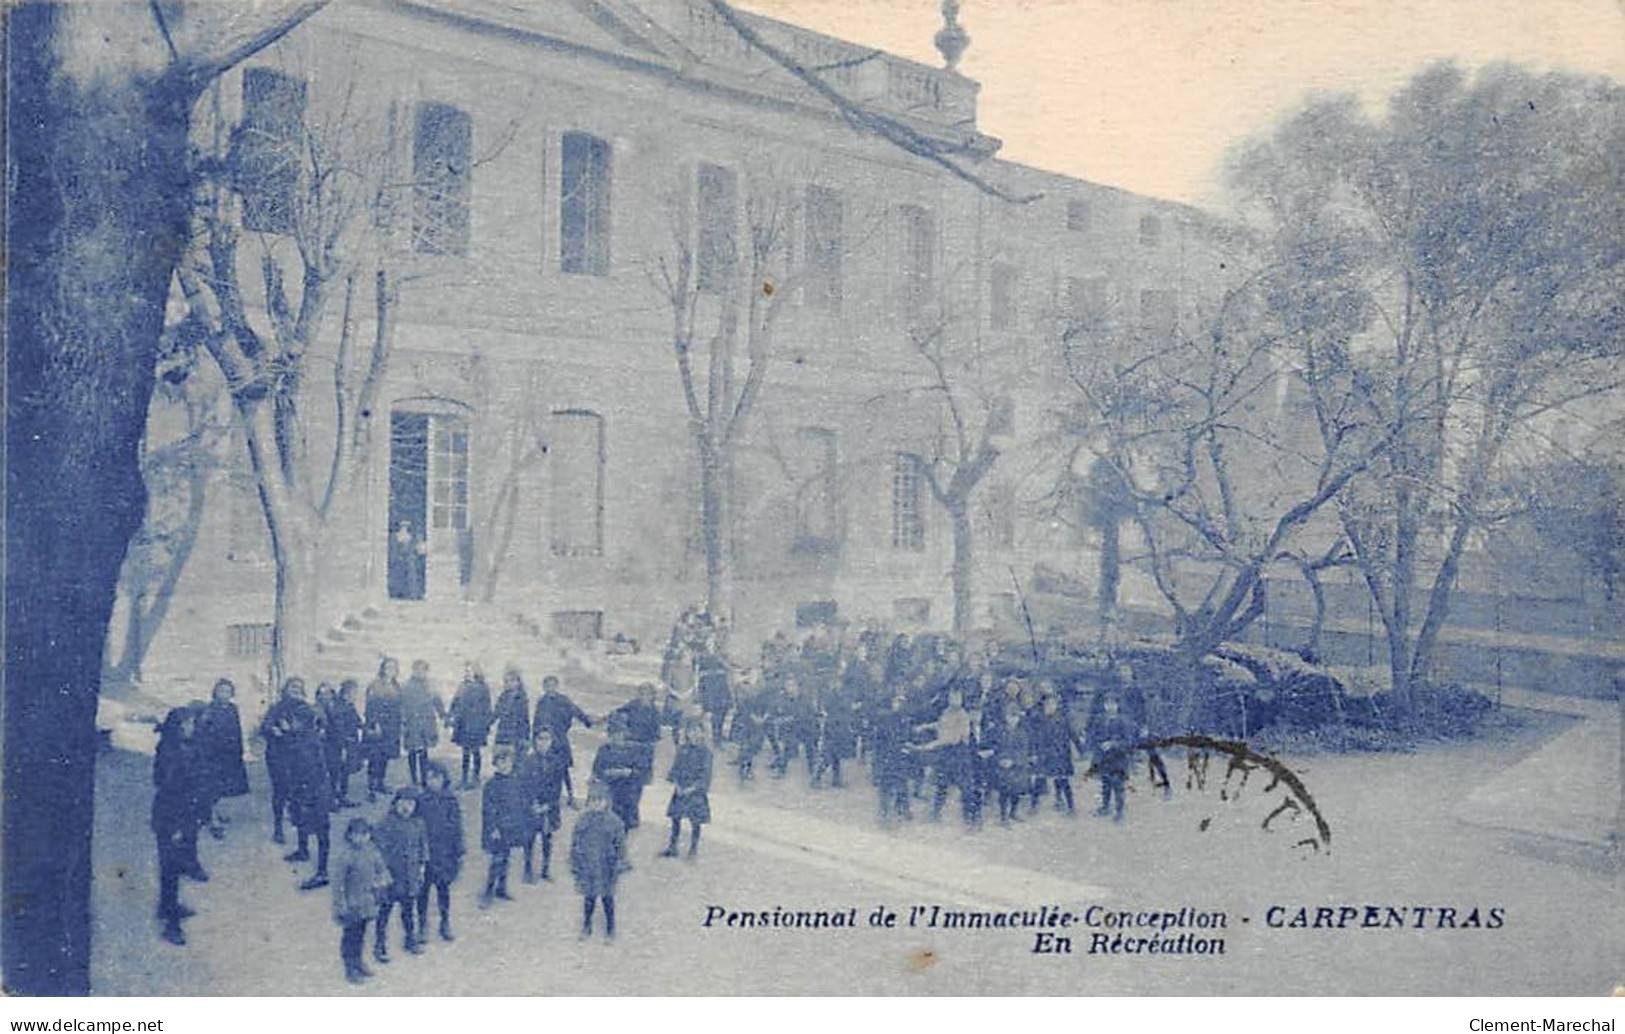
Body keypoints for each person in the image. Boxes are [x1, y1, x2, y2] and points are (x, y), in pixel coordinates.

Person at [152, 704, 207, 945]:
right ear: (176, 727)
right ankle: (172, 926)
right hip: (170, 815)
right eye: (187, 724)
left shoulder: (187, 748)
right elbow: (168, 786)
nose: (191, 727)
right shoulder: (170, 752)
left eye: (192, 723)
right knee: (171, 866)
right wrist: (177, 825)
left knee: (172, 865)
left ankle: (167, 906)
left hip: (182, 812)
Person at [332, 817, 390, 985]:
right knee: (350, 936)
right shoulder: (345, 856)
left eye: (364, 834)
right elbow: (338, 884)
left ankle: (359, 962)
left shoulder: (372, 851)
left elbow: (382, 869)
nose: (361, 838)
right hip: (351, 904)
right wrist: (340, 904)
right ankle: (350, 967)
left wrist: (381, 882)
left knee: (361, 934)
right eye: (356, 834)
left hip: (367, 902)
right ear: (349, 836)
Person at [372, 787, 428, 961]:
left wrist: (422, 865)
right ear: (395, 803)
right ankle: (379, 945)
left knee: (408, 910)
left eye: (411, 804)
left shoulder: (419, 824)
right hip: (391, 876)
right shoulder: (385, 824)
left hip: (409, 876)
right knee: (384, 912)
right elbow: (376, 850)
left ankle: (410, 939)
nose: (406, 807)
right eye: (402, 802)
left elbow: (423, 846)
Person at [261, 677, 317, 844]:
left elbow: (310, 731)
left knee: (299, 791)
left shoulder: (306, 709)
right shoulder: (277, 707)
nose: (295, 690)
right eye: (292, 687)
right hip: (278, 755)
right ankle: (278, 827)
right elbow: (265, 726)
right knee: (280, 791)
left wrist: (290, 729)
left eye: (299, 687)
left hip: (299, 756)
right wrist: (273, 729)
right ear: (285, 689)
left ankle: (299, 822)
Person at [569, 781, 627, 941]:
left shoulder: (614, 822)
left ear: (606, 801)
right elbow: (575, 842)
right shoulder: (583, 819)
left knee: (607, 898)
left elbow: (621, 844)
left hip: (606, 865)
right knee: (589, 897)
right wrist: (574, 862)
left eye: (599, 800)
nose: (596, 804)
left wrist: (621, 861)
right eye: (592, 800)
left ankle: (610, 928)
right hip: (587, 864)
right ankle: (586, 925)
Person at [285, 711, 336, 891]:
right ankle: (303, 850)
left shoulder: (306, 743)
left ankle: (322, 872)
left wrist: (303, 795)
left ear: (300, 722)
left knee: (320, 829)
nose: (290, 724)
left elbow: (310, 772)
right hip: (309, 790)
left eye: (293, 720)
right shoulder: (303, 738)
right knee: (302, 821)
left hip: (313, 791)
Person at [415, 762, 463, 943]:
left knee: (443, 889)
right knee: (423, 891)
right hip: (426, 854)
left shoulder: (451, 801)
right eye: (429, 777)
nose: (433, 781)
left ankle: (445, 922)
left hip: (444, 854)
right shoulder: (420, 801)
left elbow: (457, 827)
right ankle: (422, 924)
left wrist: (458, 851)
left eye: (437, 777)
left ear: (444, 779)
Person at [196, 678, 249, 839]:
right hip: (213, 755)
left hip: (230, 754)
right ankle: (212, 820)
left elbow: (237, 730)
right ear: (215, 693)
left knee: (224, 787)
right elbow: (202, 731)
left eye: (227, 691)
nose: (224, 694)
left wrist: (240, 751)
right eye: (221, 691)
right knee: (212, 787)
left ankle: (213, 812)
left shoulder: (233, 709)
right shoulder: (209, 709)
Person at [479, 746, 529, 907]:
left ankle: (501, 888)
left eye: (508, 761)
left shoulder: (516, 782)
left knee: (506, 858)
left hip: (511, 827)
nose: (505, 764)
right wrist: (493, 828)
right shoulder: (491, 785)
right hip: (497, 829)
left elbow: (520, 804)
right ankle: (488, 890)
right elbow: (488, 810)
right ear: (495, 763)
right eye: (501, 761)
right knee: (497, 859)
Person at [533, 674, 593, 808]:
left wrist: (587, 722)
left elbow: (576, 711)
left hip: (560, 740)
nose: (549, 688)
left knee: (563, 770)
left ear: (556, 686)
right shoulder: (541, 702)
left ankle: (571, 797)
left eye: (552, 685)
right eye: (547, 686)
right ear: (543, 687)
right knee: (544, 769)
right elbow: (536, 723)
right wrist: (534, 740)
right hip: (545, 741)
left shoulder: (563, 700)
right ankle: (547, 797)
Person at [922, 685, 977, 825]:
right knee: (941, 784)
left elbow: (955, 738)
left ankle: (970, 818)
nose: (954, 700)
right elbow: (941, 724)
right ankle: (935, 813)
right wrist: (926, 726)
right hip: (946, 754)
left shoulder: (963, 716)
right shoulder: (946, 711)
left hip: (959, 754)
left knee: (966, 788)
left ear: (962, 699)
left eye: (957, 697)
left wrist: (933, 744)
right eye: (952, 697)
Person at [520, 727, 569, 883]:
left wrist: (548, 805)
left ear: (551, 741)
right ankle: (527, 869)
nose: (543, 742)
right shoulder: (528, 761)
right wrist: (531, 804)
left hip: (549, 807)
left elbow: (557, 787)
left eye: (546, 739)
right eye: (540, 739)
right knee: (529, 838)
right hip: (531, 807)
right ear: (535, 741)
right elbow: (524, 785)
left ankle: (545, 870)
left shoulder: (556, 762)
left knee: (547, 838)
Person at [660, 719, 712, 860]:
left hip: (695, 791)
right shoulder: (682, 749)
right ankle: (673, 846)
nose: (694, 734)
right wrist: (677, 785)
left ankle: (693, 848)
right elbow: (675, 768)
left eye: (697, 730)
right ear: (687, 733)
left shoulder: (706, 753)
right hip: (681, 788)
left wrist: (693, 788)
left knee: (695, 821)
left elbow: (706, 775)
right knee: (675, 818)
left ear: (703, 733)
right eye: (691, 731)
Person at [1026, 692, 1084, 816]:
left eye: (1053, 703)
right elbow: (1032, 738)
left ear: (1057, 705)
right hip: (1043, 754)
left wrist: (1081, 750)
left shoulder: (1063, 719)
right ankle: (1033, 806)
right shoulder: (1037, 719)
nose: (1050, 706)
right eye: (1047, 704)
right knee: (1039, 779)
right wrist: (1032, 753)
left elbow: (1073, 734)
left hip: (1060, 754)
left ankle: (1070, 807)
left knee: (1063, 780)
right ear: (1043, 705)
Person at [591, 714, 646, 831]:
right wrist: (607, 773)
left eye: (619, 734)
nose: (616, 737)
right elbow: (596, 769)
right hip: (609, 788)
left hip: (627, 789)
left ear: (624, 734)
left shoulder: (633, 750)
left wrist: (628, 772)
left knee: (623, 822)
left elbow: (642, 772)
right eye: (613, 734)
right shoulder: (604, 750)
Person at [400, 659, 446, 788]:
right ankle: (414, 779)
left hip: (426, 724)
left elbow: (438, 702)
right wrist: (403, 721)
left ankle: (424, 779)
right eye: (417, 669)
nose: (420, 672)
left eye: (423, 670)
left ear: (426, 671)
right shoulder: (406, 686)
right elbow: (401, 705)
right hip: (412, 723)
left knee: (424, 752)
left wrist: (443, 715)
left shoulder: (430, 685)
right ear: (413, 670)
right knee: (412, 751)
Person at [363, 658, 404, 801]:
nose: (390, 670)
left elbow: (399, 706)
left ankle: (380, 782)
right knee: (375, 757)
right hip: (378, 726)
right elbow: (370, 707)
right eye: (388, 667)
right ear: (382, 669)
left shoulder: (396, 686)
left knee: (385, 756)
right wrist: (375, 724)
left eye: (393, 668)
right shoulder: (375, 685)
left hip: (391, 727)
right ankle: (371, 788)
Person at [1088, 694, 1134, 821]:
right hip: (1104, 759)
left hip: (1119, 759)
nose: (1110, 707)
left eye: (1113, 704)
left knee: (1118, 785)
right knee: (1105, 784)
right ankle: (1105, 807)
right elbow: (1094, 736)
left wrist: (1113, 744)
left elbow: (1128, 742)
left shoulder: (1123, 721)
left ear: (1118, 705)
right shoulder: (1100, 720)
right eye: (1107, 704)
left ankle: (1119, 812)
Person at [450, 661, 494, 789]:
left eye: (470, 670)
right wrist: (451, 715)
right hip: (463, 724)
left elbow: (487, 706)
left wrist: (486, 724)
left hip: (477, 725)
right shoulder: (462, 686)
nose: (468, 673)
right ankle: (464, 778)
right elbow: (455, 701)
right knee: (465, 752)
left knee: (475, 751)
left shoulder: (483, 687)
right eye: (466, 671)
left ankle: (475, 778)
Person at [993, 702, 1034, 826]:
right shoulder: (999, 731)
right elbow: (995, 747)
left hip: (1018, 767)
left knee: (1016, 791)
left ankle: (1013, 812)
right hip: (1003, 766)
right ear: (1005, 717)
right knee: (1004, 792)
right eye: (1010, 716)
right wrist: (1001, 759)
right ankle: (1003, 816)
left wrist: (1014, 761)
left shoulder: (1022, 733)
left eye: (1015, 716)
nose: (1012, 720)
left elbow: (1024, 751)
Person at [327, 680, 364, 807]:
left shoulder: (349, 705)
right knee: (335, 773)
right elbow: (338, 728)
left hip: (350, 744)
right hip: (340, 745)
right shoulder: (338, 707)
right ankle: (332, 800)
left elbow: (357, 722)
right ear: (346, 692)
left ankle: (342, 797)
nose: (355, 695)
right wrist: (343, 746)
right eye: (354, 692)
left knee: (345, 772)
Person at [491, 666, 531, 751]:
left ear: (518, 682)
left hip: (516, 734)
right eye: (506, 681)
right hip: (503, 732)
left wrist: (526, 737)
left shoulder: (522, 698)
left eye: (512, 681)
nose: (509, 683)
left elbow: (525, 719)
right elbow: (495, 713)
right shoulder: (503, 697)